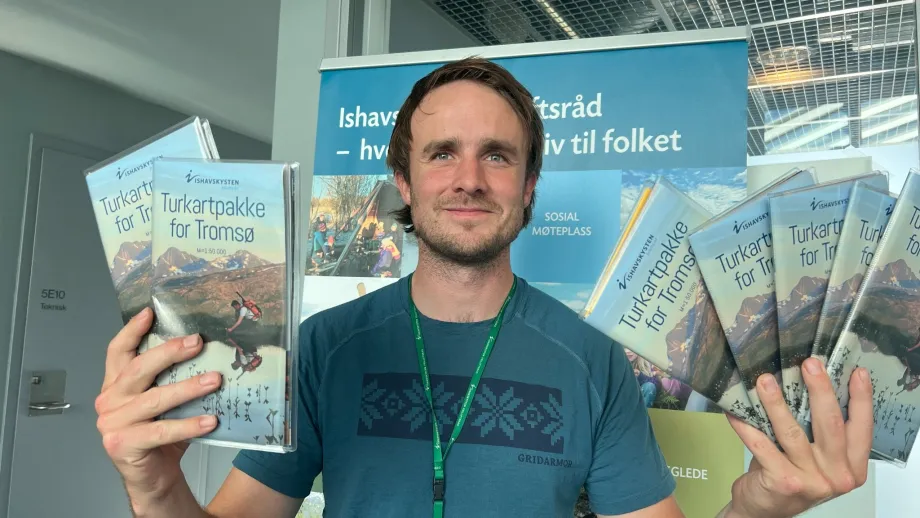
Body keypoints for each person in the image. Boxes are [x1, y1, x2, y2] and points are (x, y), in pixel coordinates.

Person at [94, 57, 874, 518]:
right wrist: (154, 485)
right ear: (404, 181)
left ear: (529, 187)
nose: (468, 179)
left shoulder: (593, 360)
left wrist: (756, 507)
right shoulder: (324, 348)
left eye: (497, 155)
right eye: (442, 153)